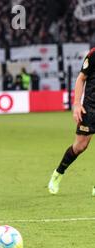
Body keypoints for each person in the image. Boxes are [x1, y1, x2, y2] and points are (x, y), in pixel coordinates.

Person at [48, 48, 95, 195]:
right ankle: (58, 173)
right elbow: (81, 78)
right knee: (80, 146)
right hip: (91, 107)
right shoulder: (93, 54)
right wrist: (76, 104)